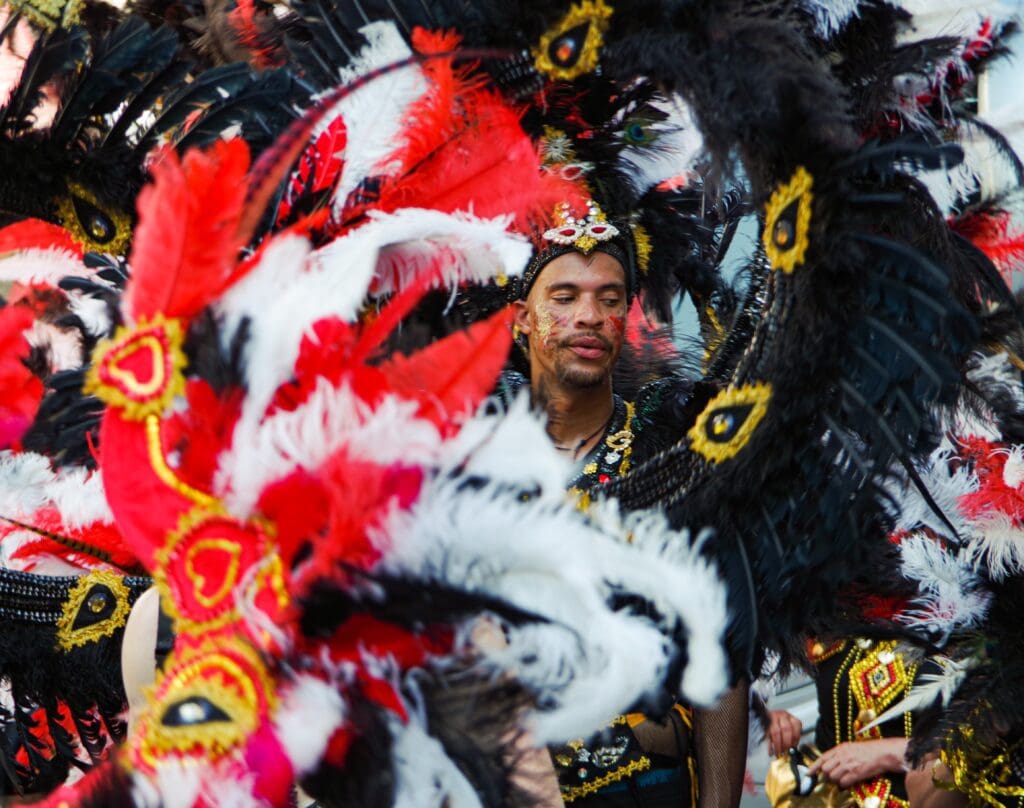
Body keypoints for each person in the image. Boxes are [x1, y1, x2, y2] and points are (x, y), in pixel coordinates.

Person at [506, 202, 748, 808]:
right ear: (522, 320)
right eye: (564, 297)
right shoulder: (477, 463)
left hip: (641, 786)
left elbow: (721, 645)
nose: (589, 316)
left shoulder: (673, 450)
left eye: (610, 298)